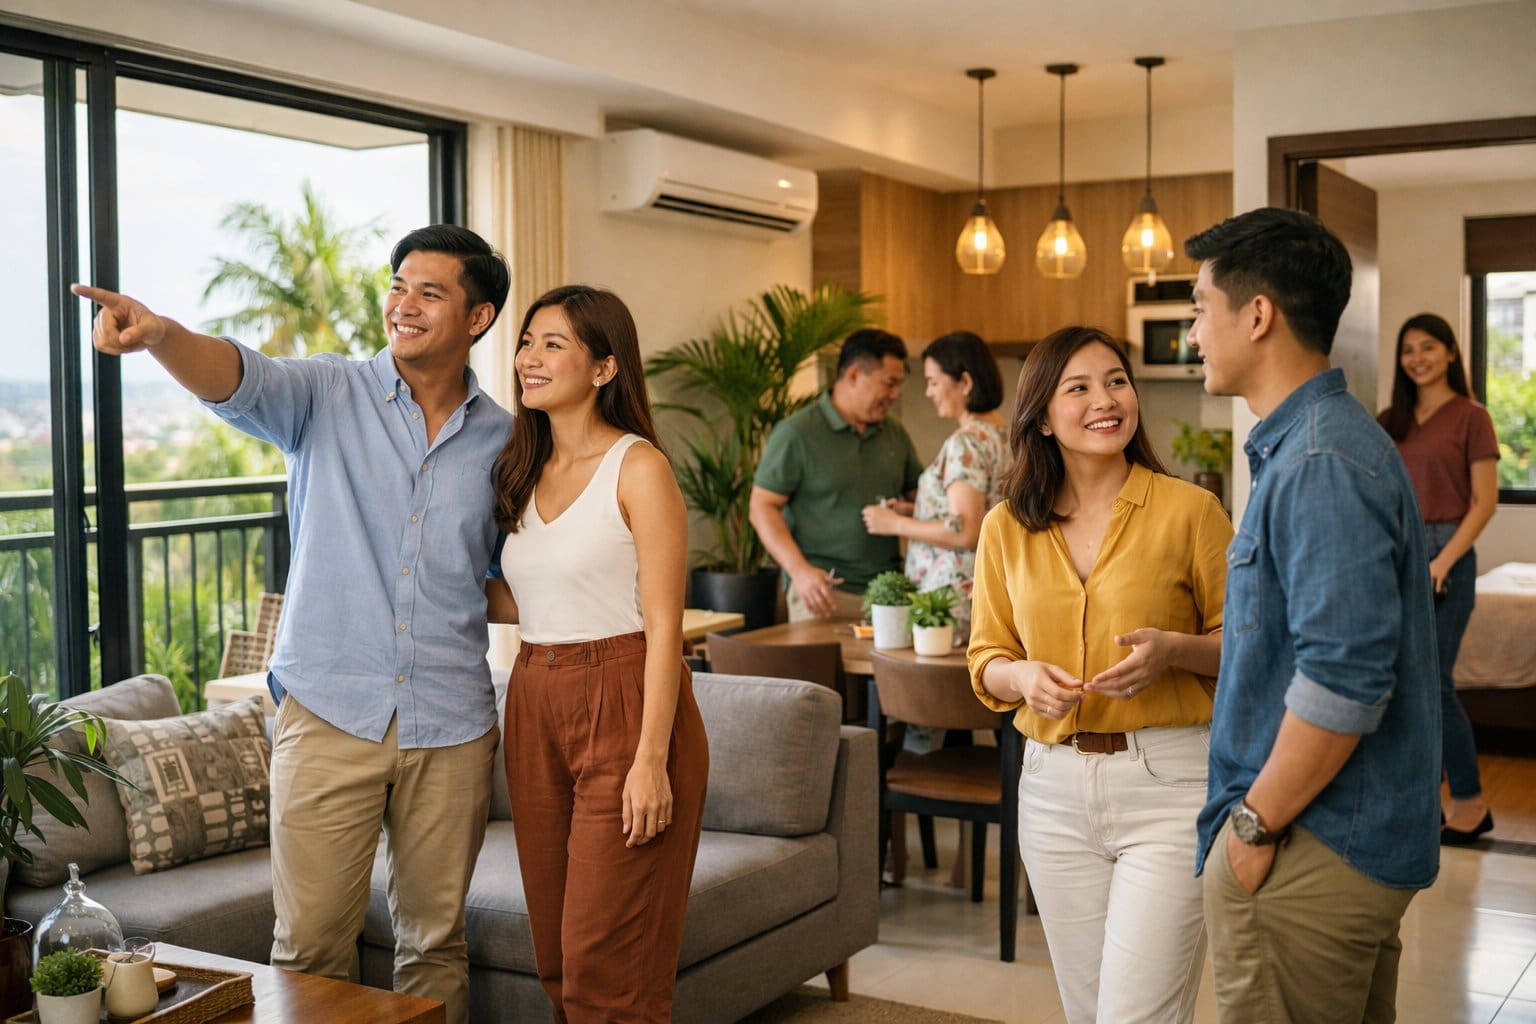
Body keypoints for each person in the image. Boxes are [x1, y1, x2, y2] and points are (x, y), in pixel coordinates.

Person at [73, 224, 513, 1024]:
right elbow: (238, 376)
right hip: (329, 712)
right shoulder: (325, 393)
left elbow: (507, 572)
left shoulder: (505, 439)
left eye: (429, 291)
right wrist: (163, 335)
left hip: (450, 721)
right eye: (397, 286)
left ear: (478, 317)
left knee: (436, 942)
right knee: (309, 947)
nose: (402, 306)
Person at [1186, 208, 1441, 1023]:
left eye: (1198, 307)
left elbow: (1341, 682)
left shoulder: (1321, 459)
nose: (1193, 332)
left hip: (1311, 846)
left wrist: (1253, 832)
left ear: (1256, 315)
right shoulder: (1315, 444)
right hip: (1337, 839)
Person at [967, 326, 1230, 1024]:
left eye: (1116, 381)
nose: (1104, 400)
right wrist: (1021, 679)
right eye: (1077, 388)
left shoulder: (1192, 512)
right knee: (1087, 1014)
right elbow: (985, 657)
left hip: (1169, 787)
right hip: (1052, 789)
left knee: (1135, 1016)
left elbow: (1248, 648)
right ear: (1042, 417)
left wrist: (1174, 650)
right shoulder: (1004, 528)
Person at [486, 285, 708, 1023]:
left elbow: (664, 623)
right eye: (527, 342)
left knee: (606, 970)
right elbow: (536, 597)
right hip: (532, 696)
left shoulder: (637, 468)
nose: (530, 358)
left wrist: (651, 759)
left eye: (554, 344)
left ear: (605, 367)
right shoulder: (521, 469)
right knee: (555, 959)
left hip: (623, 696)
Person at [1379, 313, 1499, 845]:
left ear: (1451, 352)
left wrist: (1443, 562)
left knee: (1435, 683)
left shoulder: (1473, 416)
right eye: (1409, 349)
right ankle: (1421, 806)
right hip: (1397, 554)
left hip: (1446, 555)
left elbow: (1486, 502)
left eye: (1429, 346)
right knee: (1401, 685)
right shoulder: (1391, 420)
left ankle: (1470, 803)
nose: (1418, 357)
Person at [750, 328, 924, 620]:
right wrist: (799, 571)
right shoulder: (796, 433)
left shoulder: (894, 433)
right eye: (889, 384)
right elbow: (761, 507)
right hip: (821, 595)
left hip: (890, 598)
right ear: (854, 375)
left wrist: (907, 512)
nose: (895, 395)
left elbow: (922, 499)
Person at [861, 330, 1009, 639]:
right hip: (991, 593)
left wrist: (895, 523)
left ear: (965, 383)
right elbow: (985, 511)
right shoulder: (1007, 438)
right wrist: (918, 508)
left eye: (933, 382)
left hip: (949, 602)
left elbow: (966, 530)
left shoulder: (965, 443)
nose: (928, 392)